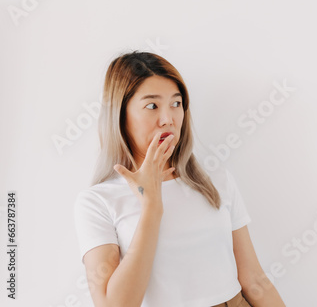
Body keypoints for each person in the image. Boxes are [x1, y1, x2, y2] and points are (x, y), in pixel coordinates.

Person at [73, 51, 286, 307]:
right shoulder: (98, 202)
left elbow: (254, 278)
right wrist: (151, 206)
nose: (168, 120)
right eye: (152, 106)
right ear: (121, 116)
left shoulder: (215, 181)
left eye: (176, 104)